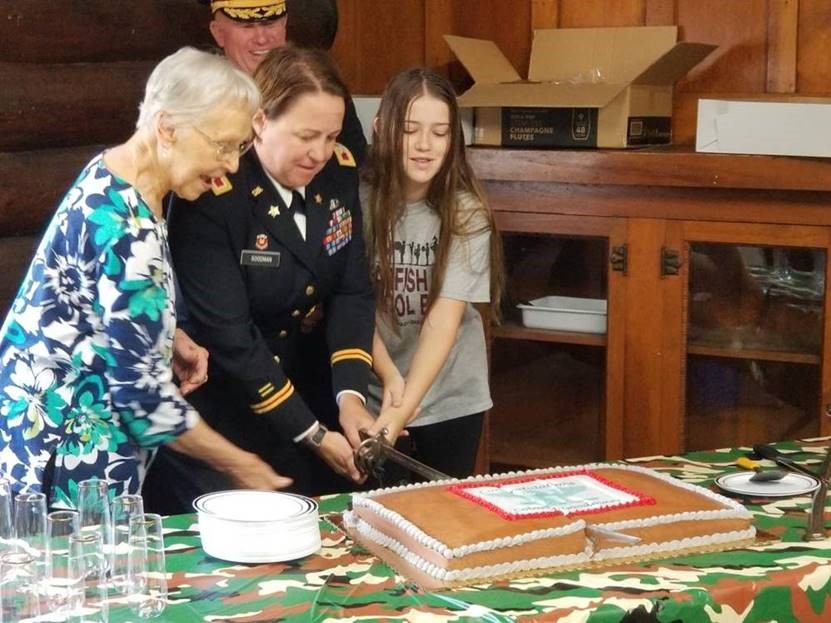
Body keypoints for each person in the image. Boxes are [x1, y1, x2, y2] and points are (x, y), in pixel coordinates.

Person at [0, 47, 291, 509]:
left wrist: (164, 333)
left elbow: (93, 292)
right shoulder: (129, 227)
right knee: (81, 581)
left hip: (40, 431)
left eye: (238, 148)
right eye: (222, 146)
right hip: (69, 457)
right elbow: (145, 402)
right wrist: (243, 465)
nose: (232, 166)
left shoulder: (113, 171)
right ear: (167, 128)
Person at [143, 45, 375, 513]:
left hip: (306, 392)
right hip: (226, 405)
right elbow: (231, 336)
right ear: (260, 121)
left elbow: (351, 289)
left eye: (331, 136)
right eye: (307, 135)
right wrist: (311, 433)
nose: (321, 153)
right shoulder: (212, 188)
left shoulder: (339, 173)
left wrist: (350, 395)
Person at [361, 68, 504, 479]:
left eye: (440, 132)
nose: (425, 146)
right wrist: (389, 379)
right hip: (373, 392)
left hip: (451, 395)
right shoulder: (356, 201)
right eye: (410, 130)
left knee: (443, 520)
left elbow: (443, 321)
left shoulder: (466, 211)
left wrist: (403, 408)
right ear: (381, 128)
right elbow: (352, 304)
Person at [201, 0, 367, 166]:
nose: (261, 39)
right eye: (247, 26)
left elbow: (353, 169)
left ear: (284, 24)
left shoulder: (322, 88)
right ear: (219, 33)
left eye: (270, 24)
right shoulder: (196, 99)